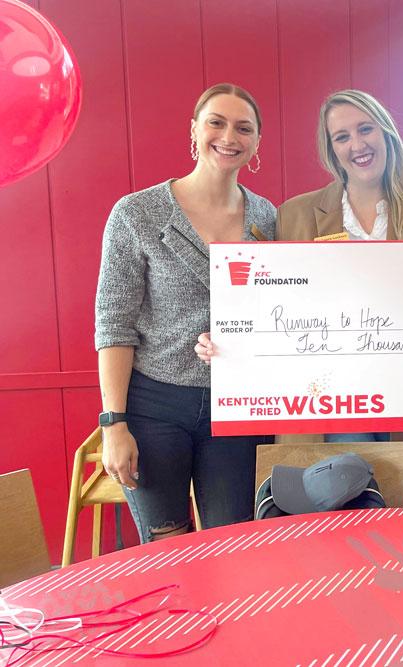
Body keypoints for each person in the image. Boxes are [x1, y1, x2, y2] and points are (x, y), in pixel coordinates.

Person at [196, 89, 403, 457]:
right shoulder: (294, 215)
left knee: (397, 512)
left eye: (365, 129)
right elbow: (269, 306)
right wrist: (227, 338)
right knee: (323, 511)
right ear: (331, 149)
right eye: (342, 136)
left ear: (386, 133)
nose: (357, 144)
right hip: (319, 409)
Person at [96, 83, 276, 542]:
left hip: (237, 408)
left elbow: (279, 312)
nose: (228, 135)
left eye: (244, 127)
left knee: (233, 544)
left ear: (256, 142)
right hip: (154, 406)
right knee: (166, 546)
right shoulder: (137, 214)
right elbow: (114, 324)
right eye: (216, 122)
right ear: (194, 130)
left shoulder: (268, 219)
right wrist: (114, 425)